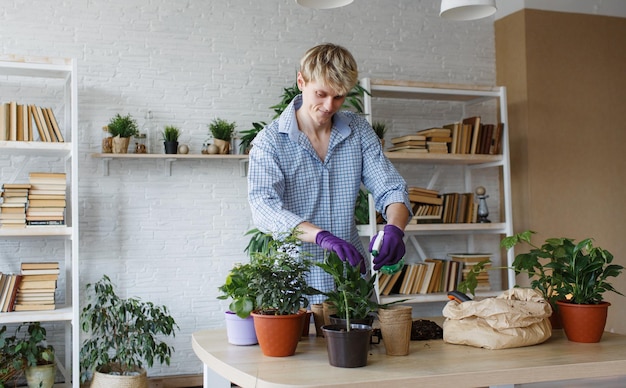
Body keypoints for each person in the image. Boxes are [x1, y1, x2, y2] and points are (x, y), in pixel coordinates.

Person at [248, 43, 411, 302]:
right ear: (301, 81)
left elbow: (390, 188)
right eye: (321, 94)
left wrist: (394, 229)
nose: (329, 105)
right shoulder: (270, 142)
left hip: (352, 281)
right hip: (295, 283)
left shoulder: (358, 131)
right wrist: (321, 237)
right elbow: (264, 208)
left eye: (339, 96)